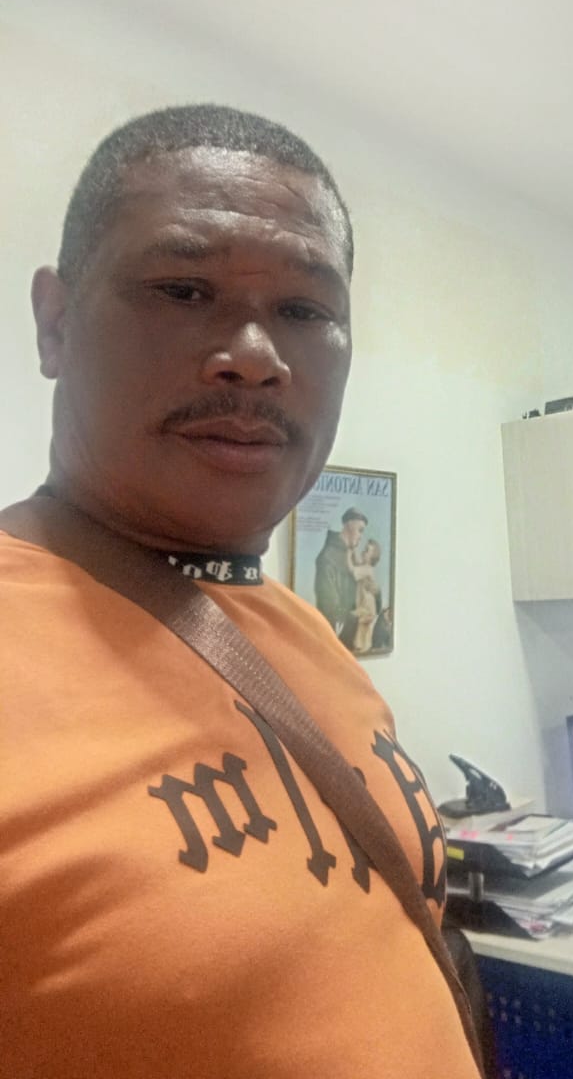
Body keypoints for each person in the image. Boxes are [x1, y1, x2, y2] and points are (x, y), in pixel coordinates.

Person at [0, 105, 482, 1078]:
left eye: (306, 311)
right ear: (54, 322)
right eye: (183, 289)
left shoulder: (308, 632)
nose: (257, 355)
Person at [313, 504, 367, 642]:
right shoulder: (328, 557)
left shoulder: (350, 555)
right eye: (360, 530)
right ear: (349, 525)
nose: (361, 536)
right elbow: (329, 608)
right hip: (336, 637)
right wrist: (356, 615)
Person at [348, 537, 383, 654]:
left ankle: (362, 648)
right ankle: (362, 647)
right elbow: (356, 561)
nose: (363, 551)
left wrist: (348, 553)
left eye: (366, 550)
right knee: (363, 631)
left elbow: (351, 569)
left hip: (367, 608)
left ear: (372, 558)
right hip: (365, 607)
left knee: (362, 631)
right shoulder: (364, 566)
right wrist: (353, 550)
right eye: (364, 549)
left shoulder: (367, 569)